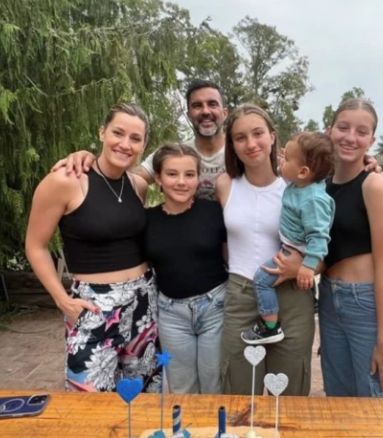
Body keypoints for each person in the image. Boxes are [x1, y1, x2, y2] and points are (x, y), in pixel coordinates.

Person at [267, 98, 383, 398]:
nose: (350, 137)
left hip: (365, 303)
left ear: (371, 140)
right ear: (329, 131)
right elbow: (325, 248)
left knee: (379, 400)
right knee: (339, 400)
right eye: (343, 128)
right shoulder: (319, 186)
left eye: (361, 131)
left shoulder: (374, 185)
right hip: (330, 300)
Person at [25, 103, 160, 392]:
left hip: (143, 303)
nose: (125, 144)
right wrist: (62, 300)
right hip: (94, 306)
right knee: (89, 400)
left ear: (143, 145)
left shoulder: (137, 185)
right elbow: (35, 246)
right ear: (102, 133)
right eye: (117, 133)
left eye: (135, 138)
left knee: (143, 398)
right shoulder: (65, 181)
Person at [215, 104, 316, 396]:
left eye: (258, 133)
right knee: (238, 391)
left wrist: (304, 267)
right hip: (242, 295)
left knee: (289, 393)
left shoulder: (300, 187)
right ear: (232, 145)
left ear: (272, 137)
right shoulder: (225, 185)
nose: (251, 143)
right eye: (240, 137)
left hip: (292, 295)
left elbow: (324, 244)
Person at [52, 79, 228, 200]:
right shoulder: (175, 155)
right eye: (197, 106)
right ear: (189, 115)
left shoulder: (238, 153)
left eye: (212, 104)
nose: (205, 111)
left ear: (225, 113)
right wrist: (89, 160)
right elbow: (126, 179)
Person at [145, 143, 228, 394]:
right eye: (172, 174)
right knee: (182, 388)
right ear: (158, 178)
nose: (181, 182)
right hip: (171, 314)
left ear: (198, 178)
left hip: (215, 308)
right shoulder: (146, 220)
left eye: (189, 174)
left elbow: (231, 256)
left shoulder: (215, 212)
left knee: (215, 384)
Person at [241, 132, 335, 345]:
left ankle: (270, 327)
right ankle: (311, 300)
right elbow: (283, 172)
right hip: (291, 244)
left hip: (297, 250)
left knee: (261, 280)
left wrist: (308, 266)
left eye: (287, 159)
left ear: (303, 171)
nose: (281, 161)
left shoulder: (313, 200)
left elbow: (319, 236)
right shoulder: (298, 185)